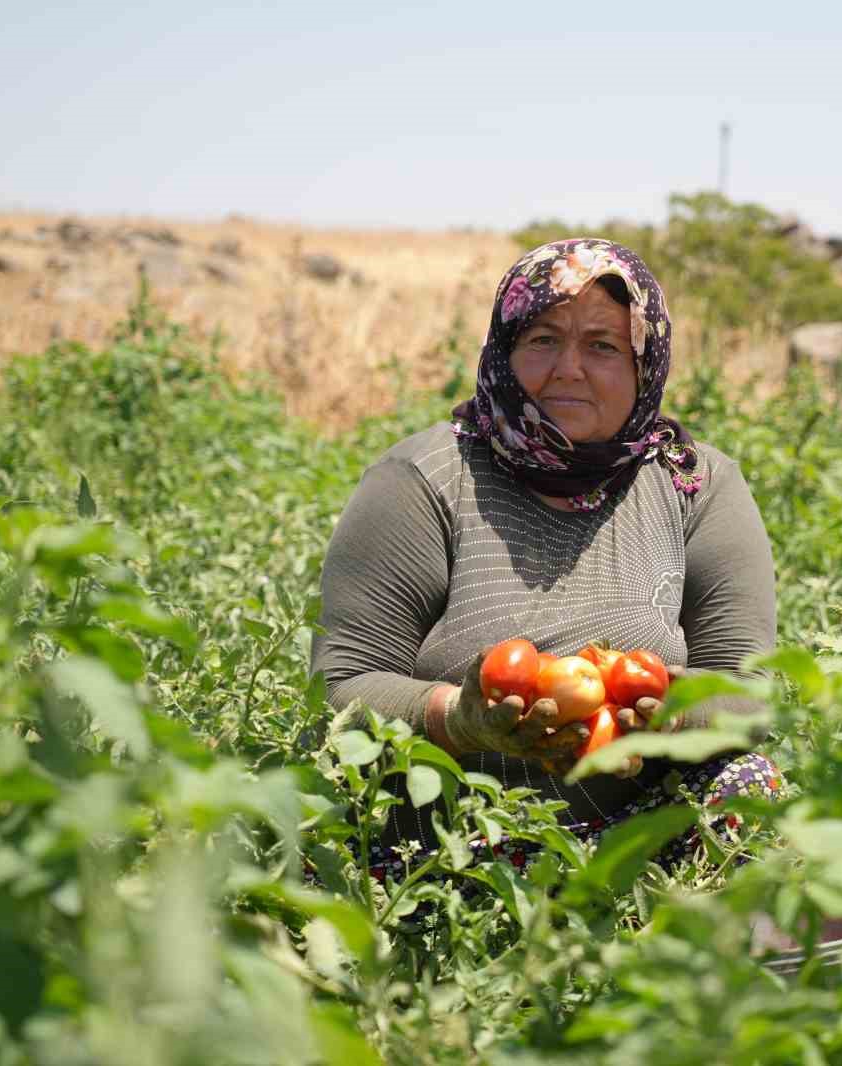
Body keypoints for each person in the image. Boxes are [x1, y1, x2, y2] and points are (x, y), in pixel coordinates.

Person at [311, 238, 781, 880]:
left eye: (604, 346)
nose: (569, 368)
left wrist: (668, 711)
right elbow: (341, 689)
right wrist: (463, 719)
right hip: (445, 856)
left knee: (753, 785)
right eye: (542, 339)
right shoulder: (423, 480)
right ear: (504, 351)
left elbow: (748, 692)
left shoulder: (694, 485)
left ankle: (693, 956)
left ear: (646, 364)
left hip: (639, 847)